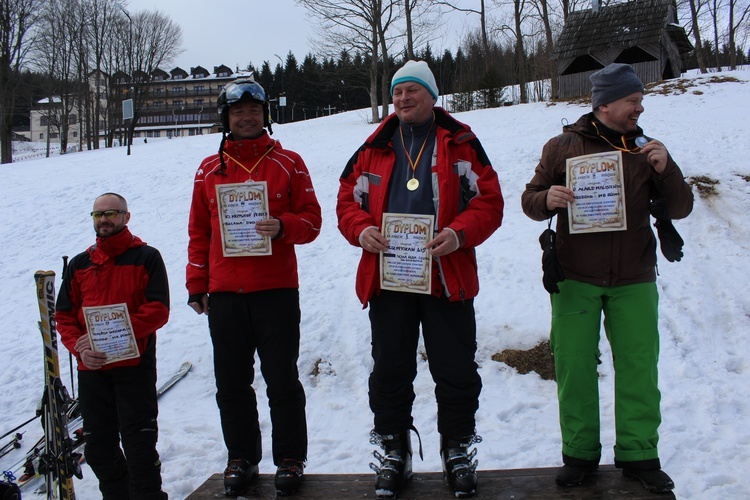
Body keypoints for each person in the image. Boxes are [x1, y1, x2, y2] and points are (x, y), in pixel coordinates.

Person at [521, 63, 694, 494]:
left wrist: (666, 167)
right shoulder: (561, 146)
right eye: (632, 100)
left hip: (635, 276)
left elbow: (680, 207)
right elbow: (529, 200)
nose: (640, 107)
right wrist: (548, 197)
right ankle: (579, 455)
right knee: (575, 367)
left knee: (639, 367)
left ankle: (639, 455)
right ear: (605, 104)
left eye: (639, 100)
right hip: (575, 276)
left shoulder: (646, 148)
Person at [336, 60, 504, 498]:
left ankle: (457, 448)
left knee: (456, 369)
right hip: (390, 277)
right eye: (397, 93)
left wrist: (458, 233)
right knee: (390, 369)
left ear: (432, 96)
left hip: (447, 276)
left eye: (412, 91)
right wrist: (360, 229)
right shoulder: (373, 146)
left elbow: (489, 203)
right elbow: (345, 201)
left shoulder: (461, 143)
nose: (403, 99)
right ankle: (395, 450)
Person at [186, 77, 321, 497]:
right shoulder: (208, 169)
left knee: (281, 379)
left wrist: (283, 226)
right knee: (231, 383)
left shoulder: (290, 162)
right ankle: (241, 457)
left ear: (266, 116)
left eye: (253, 111)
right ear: (226, 118)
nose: (246, 117)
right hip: (226, 293)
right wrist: (196, 284)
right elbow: (198, 232)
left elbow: (313, 221)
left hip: (275, 290)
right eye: (237, 112)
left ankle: (290, 459)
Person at [56, 193, 170, 500]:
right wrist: (79, 347)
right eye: (98, 215)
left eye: (111, 213)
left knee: (139, 448)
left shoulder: (146, 257)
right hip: (92, 370)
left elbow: (158, 309)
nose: (104, 219)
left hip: (134, 368)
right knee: (99, 450)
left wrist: (112, 334)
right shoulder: (80, 264)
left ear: (126, 217)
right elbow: (64, 316)